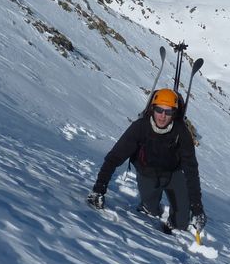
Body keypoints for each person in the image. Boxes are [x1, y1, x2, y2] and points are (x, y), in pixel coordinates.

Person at [87, 88, 207, 232]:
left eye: (168, 112)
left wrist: (197, 209)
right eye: (159, 110)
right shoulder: (140, 127)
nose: (162, 116)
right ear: (152, 109)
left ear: (174, 113)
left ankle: (172, 223)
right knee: (151, 210)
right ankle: (148, 206)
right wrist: (98, 189)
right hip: (147, 173)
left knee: (181, 223)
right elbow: (114, 157)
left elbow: (191, 170)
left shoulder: (181, 132)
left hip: (173, 173)